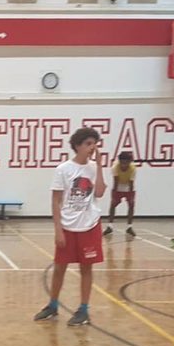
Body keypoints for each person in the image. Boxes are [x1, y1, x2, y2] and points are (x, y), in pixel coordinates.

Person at [33, 127, 108, 327]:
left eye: (94, 144)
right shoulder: (63, 169)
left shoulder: (93, 168)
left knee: (86, 268)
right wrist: (58, 229)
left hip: (90, 225)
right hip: (68, 225)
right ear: (77, 146)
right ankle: (52, 305)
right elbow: (56, 200)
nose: (92, 148)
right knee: (59, 268)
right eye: (88, 144)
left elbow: (99, 192)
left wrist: (100, 166)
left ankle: (83, 309)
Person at [103, 151, 136, 237]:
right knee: (113, 205)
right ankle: (110, 226)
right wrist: (114, 194)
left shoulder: (133, 169)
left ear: (129, 162)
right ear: (120, 161)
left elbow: (131, 183)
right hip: (118, 185)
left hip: (128, 186)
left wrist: (131, 196)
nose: (124, 165)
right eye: (122, 163)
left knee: (131, 205)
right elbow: (116, 181)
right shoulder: (115, 167)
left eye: (126, 163)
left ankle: (129, 227)